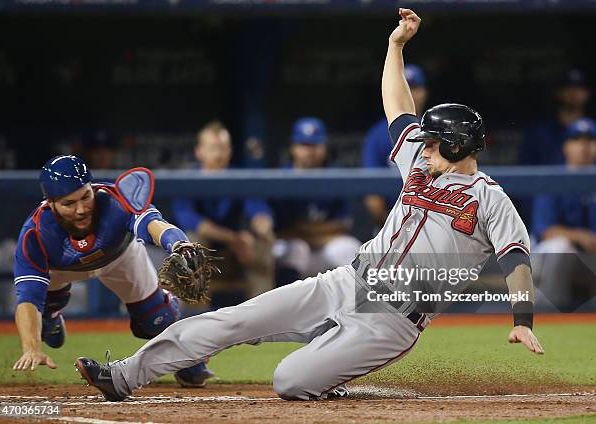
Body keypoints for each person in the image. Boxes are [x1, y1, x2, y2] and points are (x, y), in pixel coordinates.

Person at [76, 9, 543, 403]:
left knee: (290, 381)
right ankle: (122, 378)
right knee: (233, 318)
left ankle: (329, 363)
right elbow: (397, 108)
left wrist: (522, 320)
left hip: (393, 320)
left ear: (460, 145)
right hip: (347, 282)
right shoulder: (419, 166)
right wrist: (395, 47)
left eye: (435, 143)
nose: (424, 147)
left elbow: (517, 260)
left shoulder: (489, 198)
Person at [12, 155, 214, 388]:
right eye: (68, 203)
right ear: (50, 203)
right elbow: (28, 298)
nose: (80, 210)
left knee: (156, 319)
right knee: (44, 319)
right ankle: (52, 318)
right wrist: (32, 349)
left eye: (85, 196)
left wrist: (179, 245)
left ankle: (190, 365)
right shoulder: (35, 234)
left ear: (91, 188)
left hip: (119, 257)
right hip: (60, 270)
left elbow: (153, 224)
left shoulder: (116, 202)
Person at [172, 121, 275, 299]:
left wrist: (262, 229)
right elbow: (193, 222)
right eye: (213, 148)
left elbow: (259, 210)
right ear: (199, 151)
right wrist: (234, 238)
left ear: (230, 151)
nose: (219, 154)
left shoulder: (239, 178)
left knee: (264, 240)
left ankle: (264, 315)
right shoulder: (186, 180)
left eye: (224, 148)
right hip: (207, 254)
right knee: (192, 244)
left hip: (237, 255)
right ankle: (193, 317)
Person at [272, 117, 361, 283]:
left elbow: (342, 226)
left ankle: (352, 308)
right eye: (304, 145)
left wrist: (303, 230)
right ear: (293, 148)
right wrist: (316, 231)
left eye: (315, 145)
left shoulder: (336, 176)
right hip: (295, 248)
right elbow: (280, 231)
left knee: (352, 249)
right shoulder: (280, 178)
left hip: (324, 248)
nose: (310, 151)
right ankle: (288, 306)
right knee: (294, 249)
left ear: (324, 147)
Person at [531, 118, 596, 310]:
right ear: (566, 146)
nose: (584, 146)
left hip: (594, 256)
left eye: (590, 140)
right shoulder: (554, 179)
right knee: (559, 246)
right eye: (577, 139)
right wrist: (580, 236)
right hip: (553, 255)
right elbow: (544, 230)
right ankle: (548, 313)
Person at [362, 64, 428, 226]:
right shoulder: (377, 135)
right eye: (404, 88)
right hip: (393, 222)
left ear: (424, 93)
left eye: (414, 88)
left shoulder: (436, 129)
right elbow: (372, 194)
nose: (409, 95)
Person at [520, 69, 593, 165]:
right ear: (558, 92)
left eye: (579, 87)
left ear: (588, 93)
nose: (574, 92)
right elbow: (523, 172)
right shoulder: (540, 134)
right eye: (568, 87)